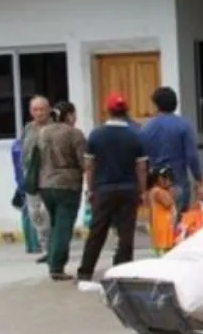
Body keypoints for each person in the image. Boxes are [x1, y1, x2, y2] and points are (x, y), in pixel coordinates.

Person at [77, 93, 148, 282]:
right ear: (126, 111)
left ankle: (85, 272)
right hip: (128, 189)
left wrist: (90, 189)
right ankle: (122, 271)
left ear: (107, 110)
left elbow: (89, 166)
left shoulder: (96, 135)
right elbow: (141, 167)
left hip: (103, 189)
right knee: (126, 232)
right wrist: (142, 191)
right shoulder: (136, 135)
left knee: (97, 231)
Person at [34, 101, 87, 281]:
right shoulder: (74, 134)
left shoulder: (43, 132)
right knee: (64, 227)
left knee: (56, 224)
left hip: (45, 184)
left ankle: (52, 258)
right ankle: (56, 266)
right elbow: (84, 161)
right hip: (67, 185)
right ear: (69, 115)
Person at [139, 87, 202, 216]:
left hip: (156, 186)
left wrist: (143, 188)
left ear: (156, 105)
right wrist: (198, 179)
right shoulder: (184, 126)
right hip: (178, 182)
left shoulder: (146, 129)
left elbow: (142, 162)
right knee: (179, 223)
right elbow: (192, 157)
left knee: (159, 223)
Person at [20, 95, 52, 262]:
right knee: (34, 213)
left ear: (48, 110)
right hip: (31, 177)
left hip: (50, 177)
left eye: (42, 109)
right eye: (35, 110)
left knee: (46, 213)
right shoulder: (28, 128)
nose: (39, 113)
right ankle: (45, 247)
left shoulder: (55, 128)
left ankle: (51, 248)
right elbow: (23, 152)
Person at [10, 139, 40, 255]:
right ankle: (35, 244)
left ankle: (29, 245)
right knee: (33, 213)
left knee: (25, 214)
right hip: (31, 183)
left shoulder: (16, 146)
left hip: (21, 183)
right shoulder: (30, 145)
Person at [147, 166, 177, 256]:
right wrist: (171, 193)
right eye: (165, 178)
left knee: (165, 249)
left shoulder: (159, 190)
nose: (168, 180)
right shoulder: (157, 191)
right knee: (163, 250)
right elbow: (167, 203)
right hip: (162, 226)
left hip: (165, 225)